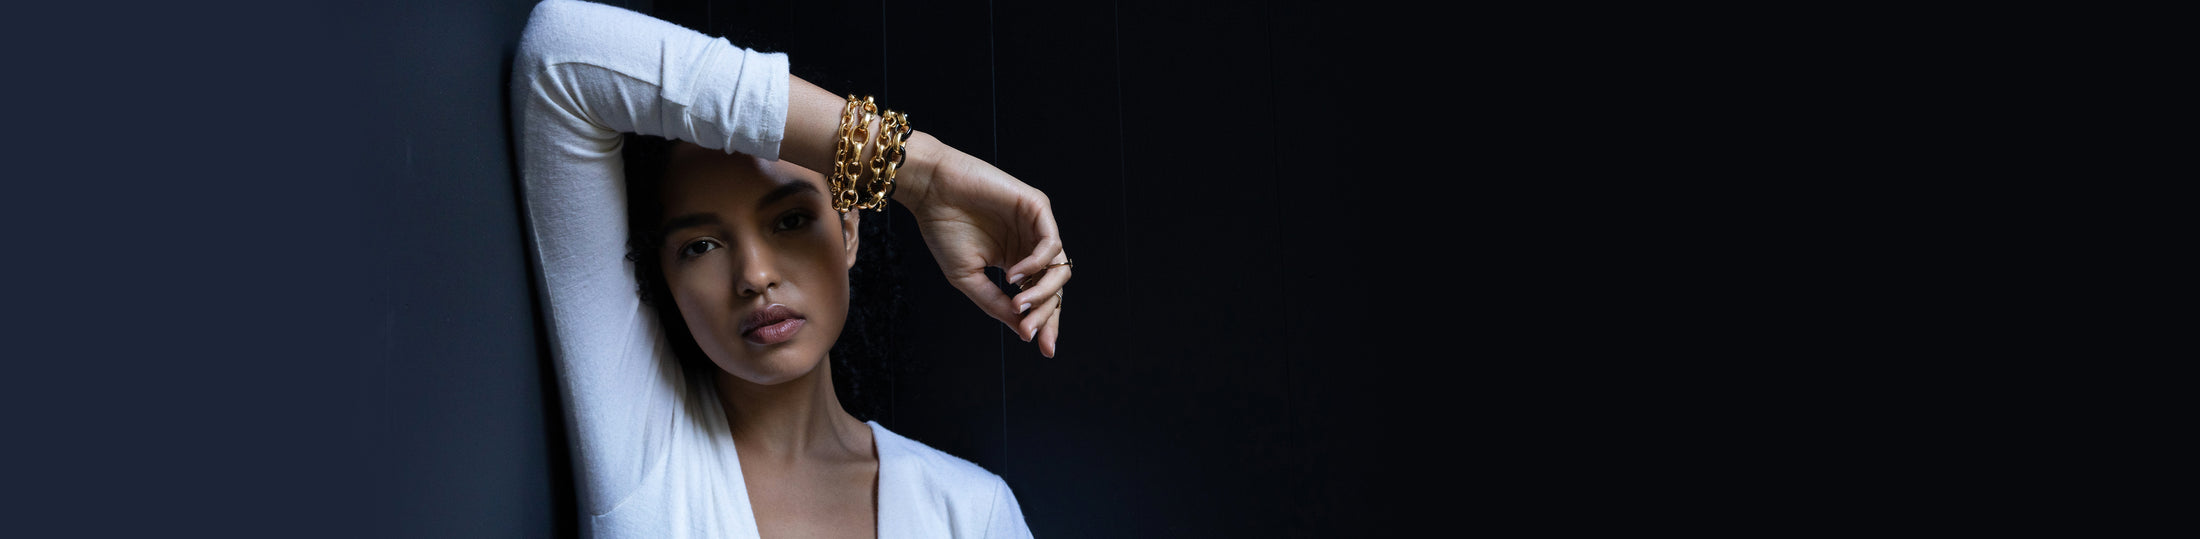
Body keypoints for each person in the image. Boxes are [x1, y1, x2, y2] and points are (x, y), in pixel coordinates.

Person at [511, 0, 1069, 536]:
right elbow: (559, 57)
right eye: (700, 246)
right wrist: (919, 172)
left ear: (848, 232)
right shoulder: (646, 450)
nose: (755, 276)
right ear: (663, 274)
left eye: (791, 221)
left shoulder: (971, 513)